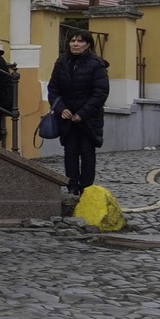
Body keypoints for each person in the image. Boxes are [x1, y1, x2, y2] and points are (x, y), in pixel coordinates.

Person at [47, 29, 109, 196]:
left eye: (80, 41)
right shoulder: (61, 62)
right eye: (73, 40)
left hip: (89, 118)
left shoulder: (96, 64)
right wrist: (62, 109)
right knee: (70, 152)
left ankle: (86, 188)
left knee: (87, 152)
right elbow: (53, 90)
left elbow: (101, 92)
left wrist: (82, 113)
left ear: (88, 44)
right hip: (67, 117)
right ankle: (72, 186)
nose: (75, 44)